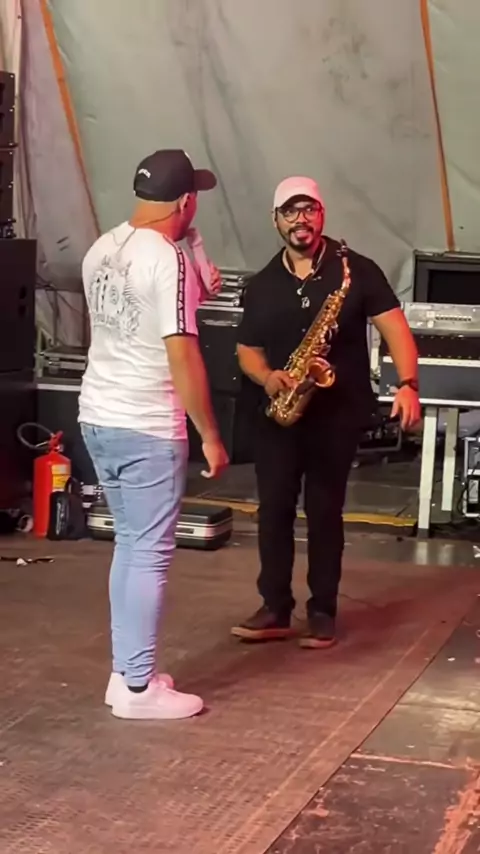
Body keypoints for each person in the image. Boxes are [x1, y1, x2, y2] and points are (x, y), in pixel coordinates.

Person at [232, 176, 420, 648]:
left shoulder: (355, 270)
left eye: (309, 210)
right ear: (276, 220)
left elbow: (396, 329)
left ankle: (322, 611)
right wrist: (268, 377)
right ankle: (275, 607)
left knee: (324, 511)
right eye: (290, 211)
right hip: (279, 413)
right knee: (274, 509)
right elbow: (247, 350)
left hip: (335, 414)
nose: (301, 219)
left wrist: (408, 384)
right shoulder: (262, 284)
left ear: (322, 215)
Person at [79, 149, 229, 720]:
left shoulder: (102, 248)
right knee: (148, 553)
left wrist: (191, 246)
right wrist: (210, 434)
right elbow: (182, 352)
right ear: (186, 201)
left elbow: (181, 300)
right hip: (147, 423)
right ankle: (139, 689)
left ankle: (126, 675)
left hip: (99, 415)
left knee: (130, 545)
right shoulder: (167, 259)